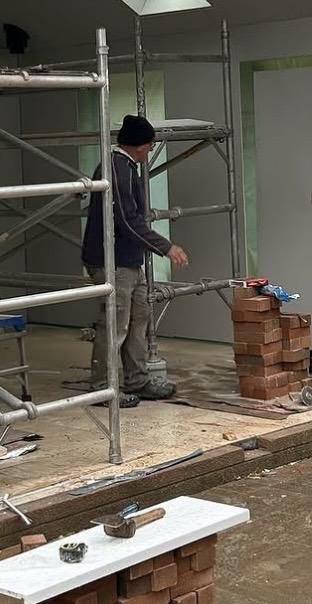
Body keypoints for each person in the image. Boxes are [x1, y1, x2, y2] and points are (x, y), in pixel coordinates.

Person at [81, 114, 189, 407]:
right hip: (112, 261)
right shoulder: (117, 170)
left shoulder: (125, 167)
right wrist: (165, 247)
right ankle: (102, 387)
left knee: (138, 317)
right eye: (150, 145)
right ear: (140, 146)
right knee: (115, 324)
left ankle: (137, 380)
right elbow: (128, 222)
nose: (151, 151)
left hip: (128, 260)